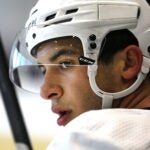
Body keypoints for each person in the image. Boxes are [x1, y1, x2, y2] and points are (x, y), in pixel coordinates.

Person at [9, 0, 150, 149]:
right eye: (43, 70)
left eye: (66, 64)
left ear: (128, 63)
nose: (46, 91)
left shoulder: (90, 138)